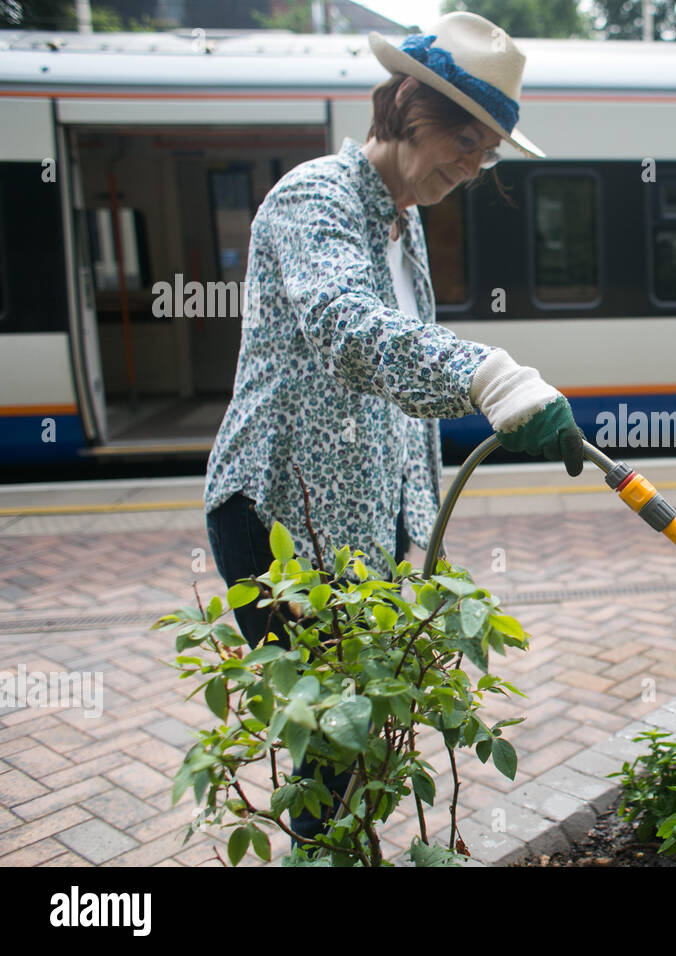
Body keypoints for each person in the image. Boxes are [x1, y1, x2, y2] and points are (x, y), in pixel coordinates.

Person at [202, 12, 582, 843]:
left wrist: (414, 529)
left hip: (363, 527)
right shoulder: (315, 198)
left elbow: (394, 401)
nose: (474, 166)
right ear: (411, 108)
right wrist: (485, 374)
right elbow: (349, 329)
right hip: (279, 520)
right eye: (465, 140)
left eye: (487, 153)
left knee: (359, 739)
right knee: (333, 745)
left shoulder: (403, 224)